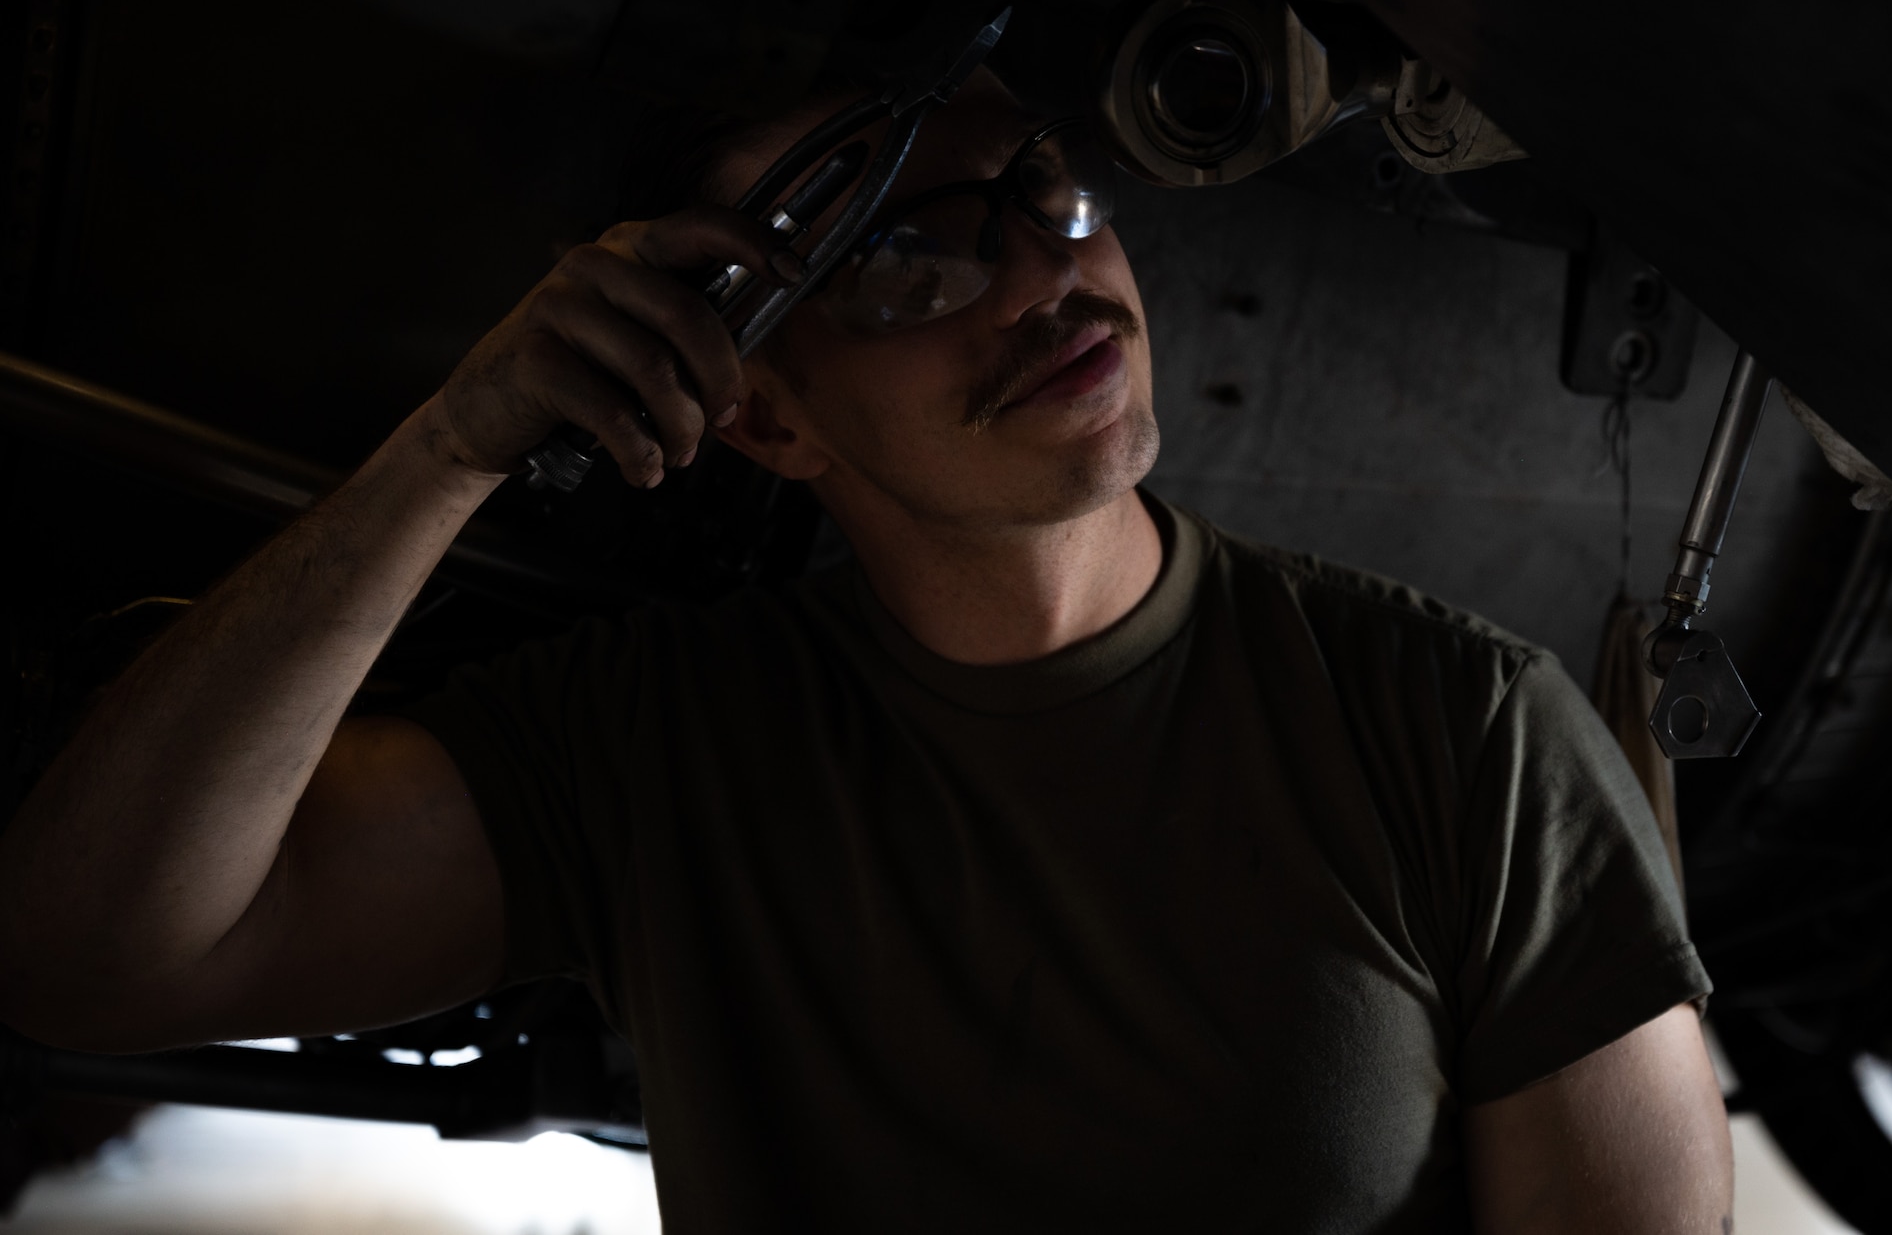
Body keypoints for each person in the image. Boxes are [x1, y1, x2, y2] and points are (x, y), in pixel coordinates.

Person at [0, 70, 1732, 1232]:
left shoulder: (1463, 726)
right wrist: (453, 444)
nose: (1036, 285)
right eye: (902, 264)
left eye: (1045, 202)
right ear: (762, 418)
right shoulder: (660, 747)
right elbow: (97, 958)